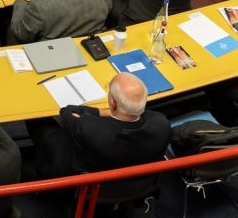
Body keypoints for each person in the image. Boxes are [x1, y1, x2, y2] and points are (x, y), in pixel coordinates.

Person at [31, 72, 171, 180]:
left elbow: (67, 112)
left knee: (39, 124)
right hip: (138, 183)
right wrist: (118, 111)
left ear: (113, 102)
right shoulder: (162, 124)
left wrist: (103, 111)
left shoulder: (90, 128)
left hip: (95, 186)